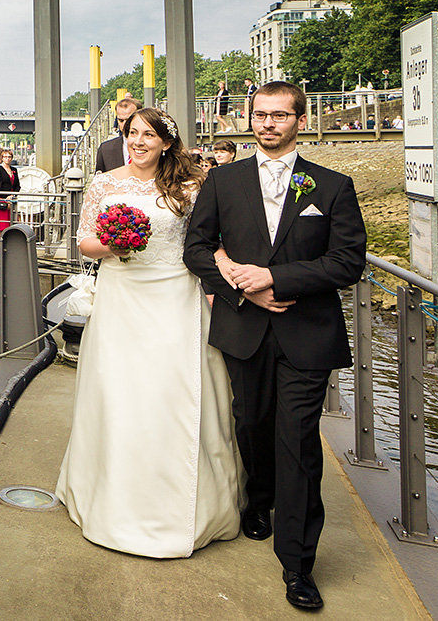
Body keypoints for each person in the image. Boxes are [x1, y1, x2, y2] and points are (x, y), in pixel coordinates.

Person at [184, 82, 366, 611]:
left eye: (280, 115)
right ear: (249, 118)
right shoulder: (222, 180)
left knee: (299, 444)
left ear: (300, 121)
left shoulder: (331, 186)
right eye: (260, 115)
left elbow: (347, 262)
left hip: (306, 335)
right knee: (252, 426)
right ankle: (257, 500)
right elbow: (196, 248)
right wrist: (245, 290)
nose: (268, 123)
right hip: (244, 329)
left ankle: (299, 563)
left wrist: (273, 279)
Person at [56, 107, 243, 558]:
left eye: (149, 135)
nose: (138, 141)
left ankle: (188, 507)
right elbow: (84, 242)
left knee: (173, 392)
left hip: (175, 294)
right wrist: (113, 244)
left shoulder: (192, 186)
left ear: (166, 142)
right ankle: (111, 500)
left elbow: (206, 242)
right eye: (132, 132)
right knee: (119, 392)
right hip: (122, 297)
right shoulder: (105, 183)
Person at [93, 94, 138, 172]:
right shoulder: (105, 150)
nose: (124, 124)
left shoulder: (151, 146)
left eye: (128, 120)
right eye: (121, 120)